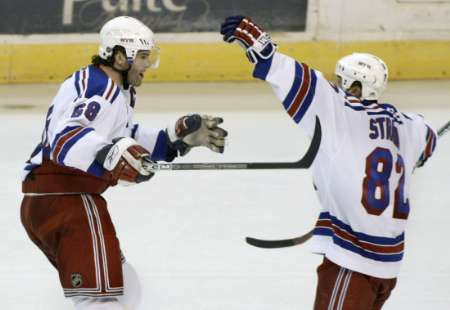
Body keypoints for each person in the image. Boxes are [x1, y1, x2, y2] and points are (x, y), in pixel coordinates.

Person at [221, 16, 437, 309]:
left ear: (358, 87)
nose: (338, 86)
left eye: (343, 82)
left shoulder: (342, 111)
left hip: (354, 260)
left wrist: (262, 46)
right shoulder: (411, 126)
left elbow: (293, 76)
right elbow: (428, 143)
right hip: (388, 266)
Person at [20, 16, 227, 310]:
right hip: (66, 200)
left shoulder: (116, 90)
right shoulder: (101, 89)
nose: (147, 65)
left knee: (125, 286)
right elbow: (65, 139)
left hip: (53, 200)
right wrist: (112, 155)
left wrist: (173, 139)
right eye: (142, 57)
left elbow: (123, 136)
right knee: (98, 300)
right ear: (119, 56)